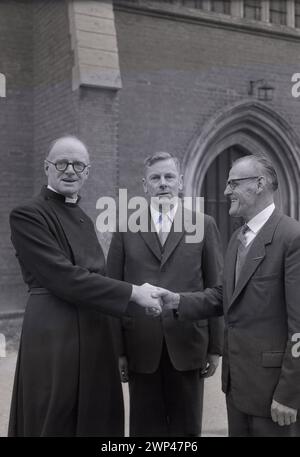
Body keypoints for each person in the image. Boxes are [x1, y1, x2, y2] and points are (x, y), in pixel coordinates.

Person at [8, 136, 162, 437]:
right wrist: (133, 293)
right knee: (55, 415)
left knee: (96, 416)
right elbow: (63, 276)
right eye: (62, 163)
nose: (70, 171)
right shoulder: (28, 214)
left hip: (94, 331)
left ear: (87, 172)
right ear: (47, 168)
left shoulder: (83, 218)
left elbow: (95, 275)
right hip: (54, 332)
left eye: (79, 165)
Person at [160, 155, 300, 437]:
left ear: (259, 184)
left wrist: (289, 393)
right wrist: (177, 301)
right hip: (237, 388)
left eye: (233, 184)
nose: (226, 192)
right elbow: (224, 296)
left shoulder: (292, 237)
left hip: (275, 395)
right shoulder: (238, 238)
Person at [107, 151, 223, 436]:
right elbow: (113, 292)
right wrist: (117, 351)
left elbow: (216, 289)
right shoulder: (124, 228)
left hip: (189, 344)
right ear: (145, 186)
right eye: (155, 178)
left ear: (180, 182)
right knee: (145, 431)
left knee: (187, 431)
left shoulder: (204, 224)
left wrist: (216, 348)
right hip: (140, 347)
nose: (163, 184)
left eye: (169, 177)